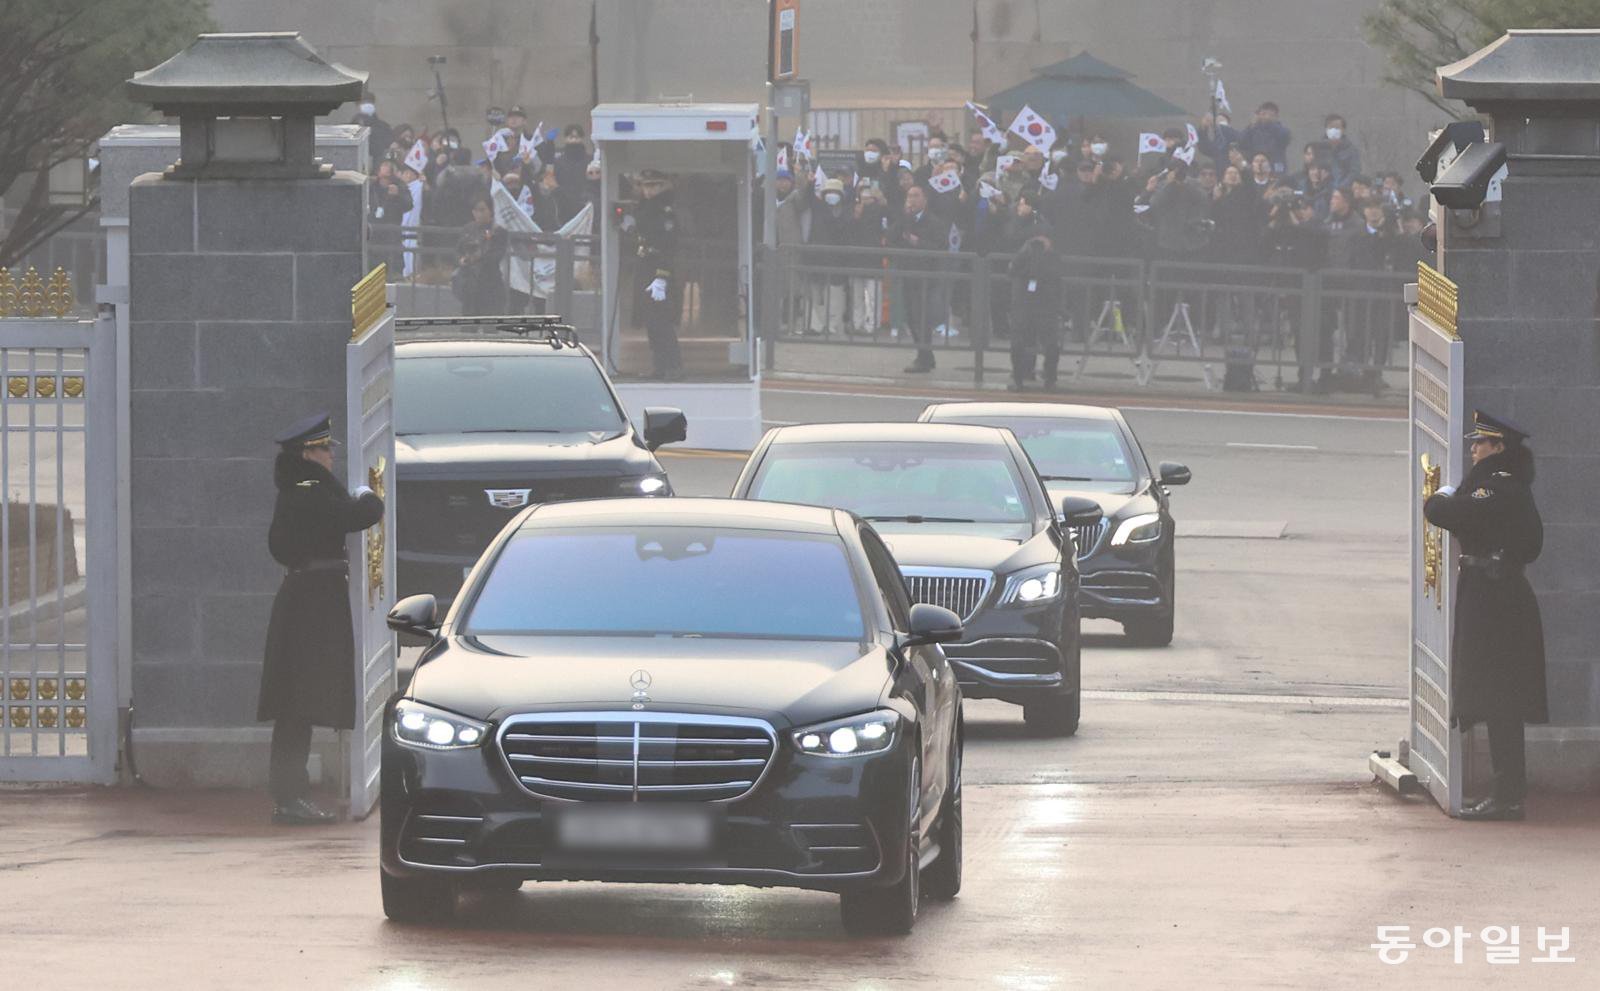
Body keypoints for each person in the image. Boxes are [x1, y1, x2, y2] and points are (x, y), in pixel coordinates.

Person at [258, 413, 384, 825]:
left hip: (308, 599)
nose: (331, 456)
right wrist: (370, 495)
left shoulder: (302, 488)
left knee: (300, 703)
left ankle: (289, 797)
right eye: (324, 449)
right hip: (310, 604)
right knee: (298, 704)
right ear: (308, 454)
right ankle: (290, 800)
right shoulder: (309, 488)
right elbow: (357, 516)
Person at [1423, 411, 1547, 822]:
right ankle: (1507, 792)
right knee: (1498, 698)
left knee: (1500, 699)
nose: (1473, 448)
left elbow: (1446, 514)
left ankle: (1508, 796)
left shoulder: (1497, 486)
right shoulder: (1505, 487)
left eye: (1481, 442)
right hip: (1496, 594)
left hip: (1497, 600)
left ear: (1498, 448)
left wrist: (1438, 495)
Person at [888, 185, 947, 372]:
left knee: (922, 318)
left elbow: (940, 247)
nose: (912, 200)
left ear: (924, 200)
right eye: (909, 196)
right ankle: (925, 356)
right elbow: (891, 237)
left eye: (916, 196)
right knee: (912, 318)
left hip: (926, 276)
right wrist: (904, 218)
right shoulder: (906, 219)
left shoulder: (934, 222)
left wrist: (918, 243)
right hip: (907, 272)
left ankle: (924, 357)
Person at [632, 170, 682, 379]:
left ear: (663, 187)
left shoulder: (665, 211)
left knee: (662, 321)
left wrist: (662, 276)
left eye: (655, 186)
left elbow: (668, 246)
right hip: (646, 266)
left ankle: (673, 366)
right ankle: (659, 366)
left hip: (660, 270)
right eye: (646, 186)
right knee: (652, 321)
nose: (650, 190)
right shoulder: (645, 207)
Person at [1007, 233, 1066, 390]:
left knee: (1042, 343)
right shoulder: (1039, 256)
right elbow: (1014, 271)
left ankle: (1028, 377)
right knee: (1028, 342)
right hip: (1037, 305)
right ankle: (1043, 378)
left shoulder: (1048, 257)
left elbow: (1013, 271)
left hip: (1035, 304)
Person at [454, 196, 508, 315]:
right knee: (468, 325)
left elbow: (498, 254)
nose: (479, 214)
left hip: (490, 284)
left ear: (490, 210)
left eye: (482, 210)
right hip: (470, 284)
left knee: (490, 326)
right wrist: (462, 260)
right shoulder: (468, 229)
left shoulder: (499, 231)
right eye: (475, 210)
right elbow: (458, 250)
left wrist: (480, 257)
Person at [1241, 101, 1291, 173]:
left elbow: (1285, 138)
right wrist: (1251, 125)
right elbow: (1241, 142)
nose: (1267, 117)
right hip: (1256, 170)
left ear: (1277, 116)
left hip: (1275, 169)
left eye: (1271, 115)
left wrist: (1270, 123)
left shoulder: (1282, 130)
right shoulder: (1252, 129)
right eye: (1263, 114)